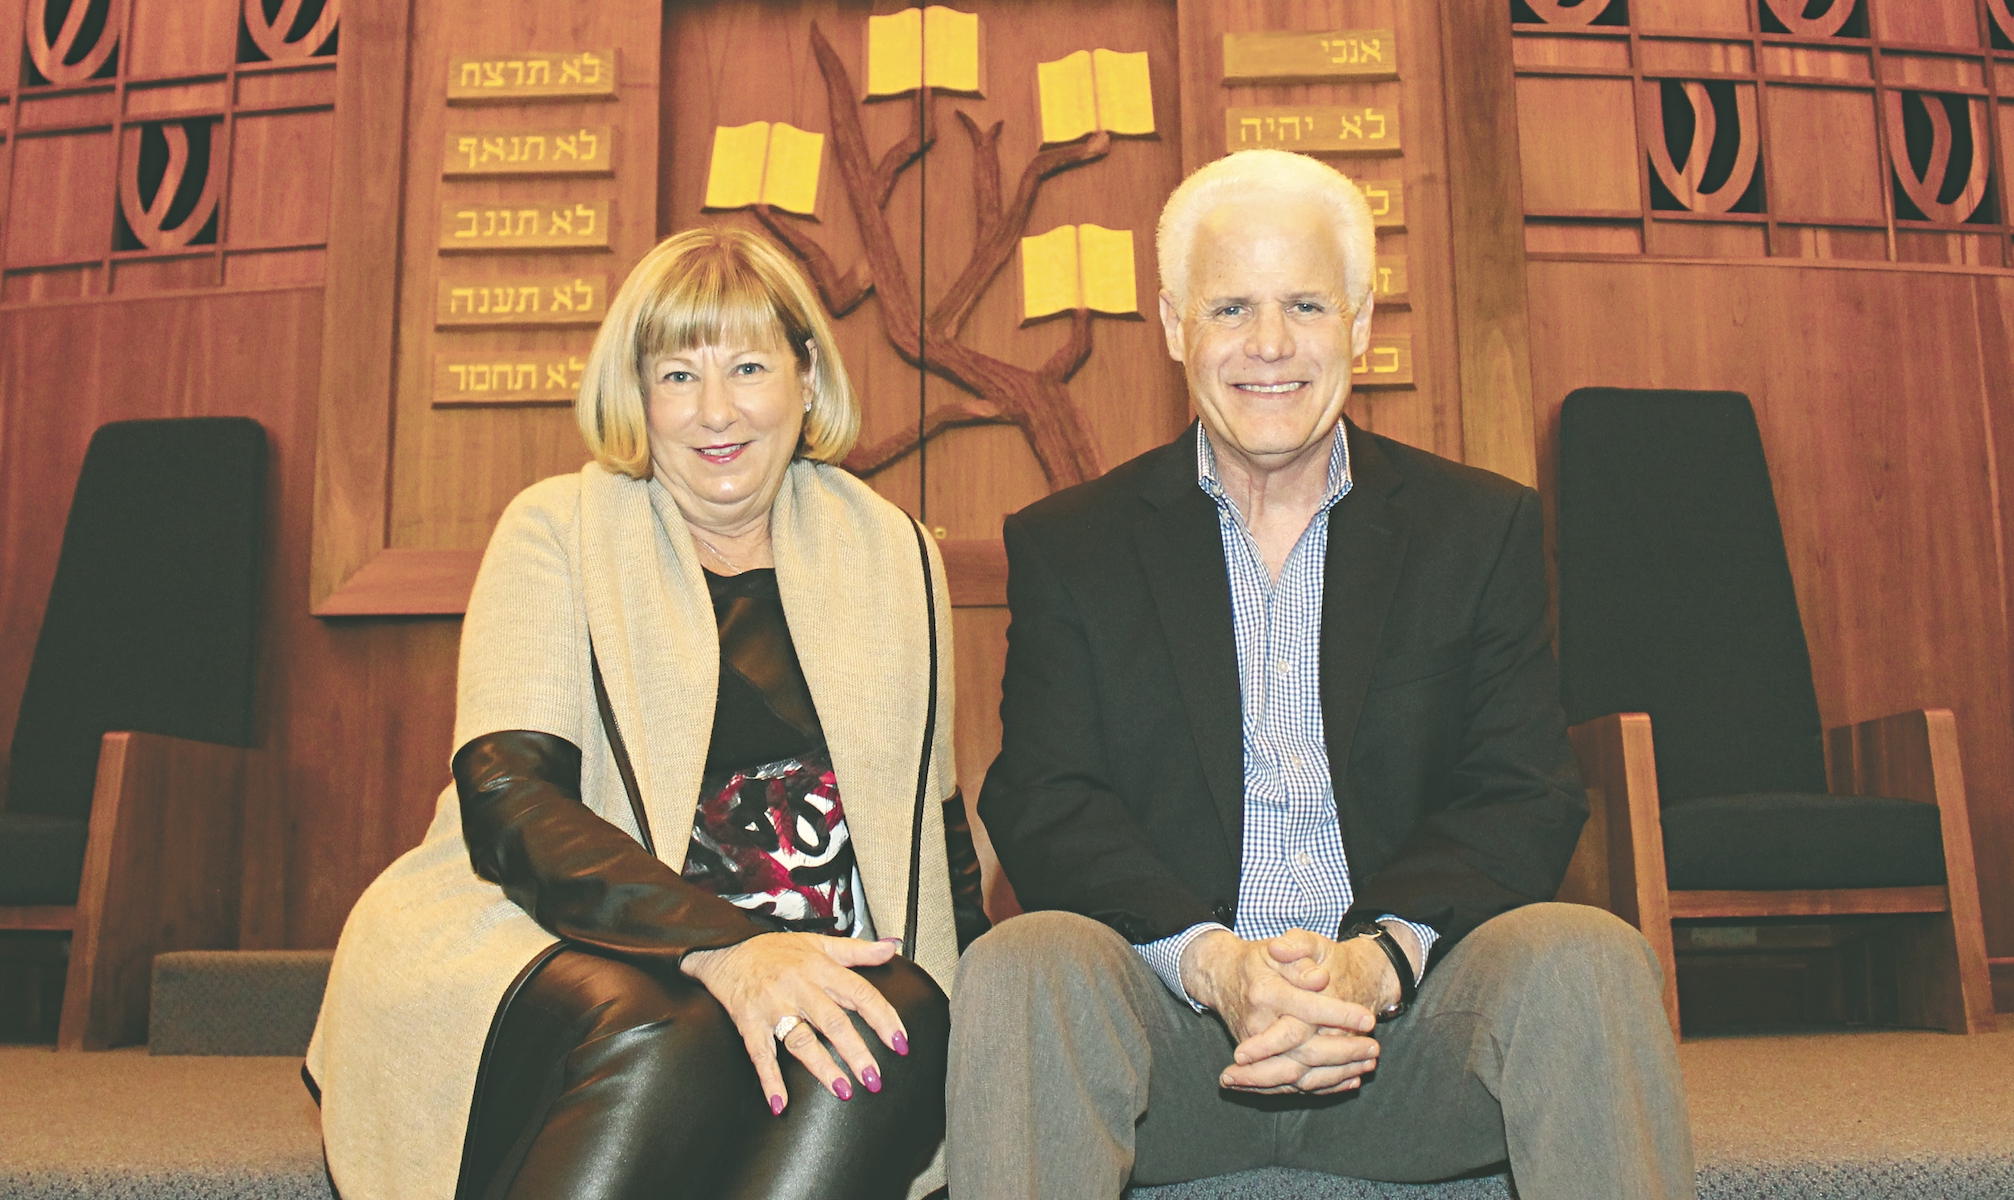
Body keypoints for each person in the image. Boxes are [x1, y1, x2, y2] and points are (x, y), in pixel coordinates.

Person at [947, 150, 1693, 1199]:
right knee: (1021, 967)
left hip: (1408, 1044)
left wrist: (1372, 966)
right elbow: (1046, 797)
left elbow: (1522, 790)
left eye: (1304, 303)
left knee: (1588, 955)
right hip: (1173, 1054)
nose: (1269, 346)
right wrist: (1216, 965)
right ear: (1172, 327)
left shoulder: (1477, 531)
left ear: (1360, 319)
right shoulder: (1075, 546)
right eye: (1230, 309)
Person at [306, 227, 985, 1200]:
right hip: (557, 929)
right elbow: (510, 802)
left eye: (748, 366)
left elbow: (933, 818)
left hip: (815, 947)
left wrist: (981, 1013)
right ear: (639, 393)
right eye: (677, 375)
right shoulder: (559, 528)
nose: (715, 411)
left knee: (893, 1019)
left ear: (805, 377)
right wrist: (729, 947)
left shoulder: (895, 553)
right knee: (670, 1028)